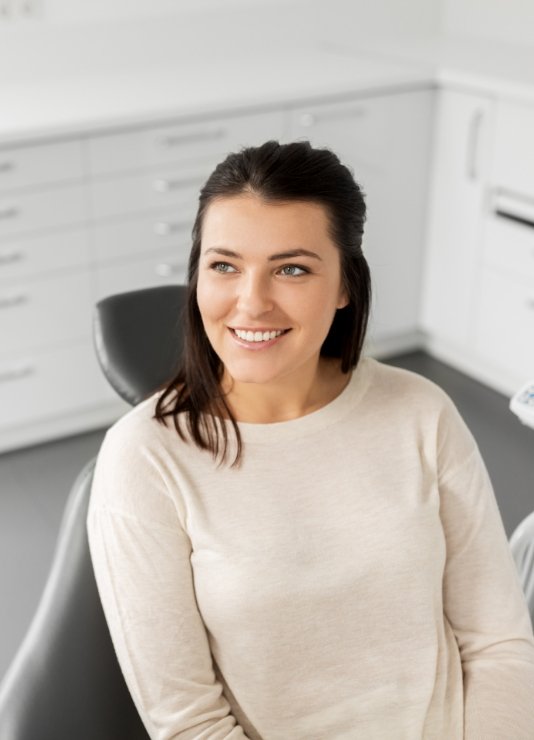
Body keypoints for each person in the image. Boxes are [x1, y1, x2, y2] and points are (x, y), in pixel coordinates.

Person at [87, 140, 534, 739]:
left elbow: (498, 642)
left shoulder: (420, 411)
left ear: (346, 285)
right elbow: (190, 724)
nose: (252, 301)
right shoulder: (144, 457)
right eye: (224, 265)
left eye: (291, 268)